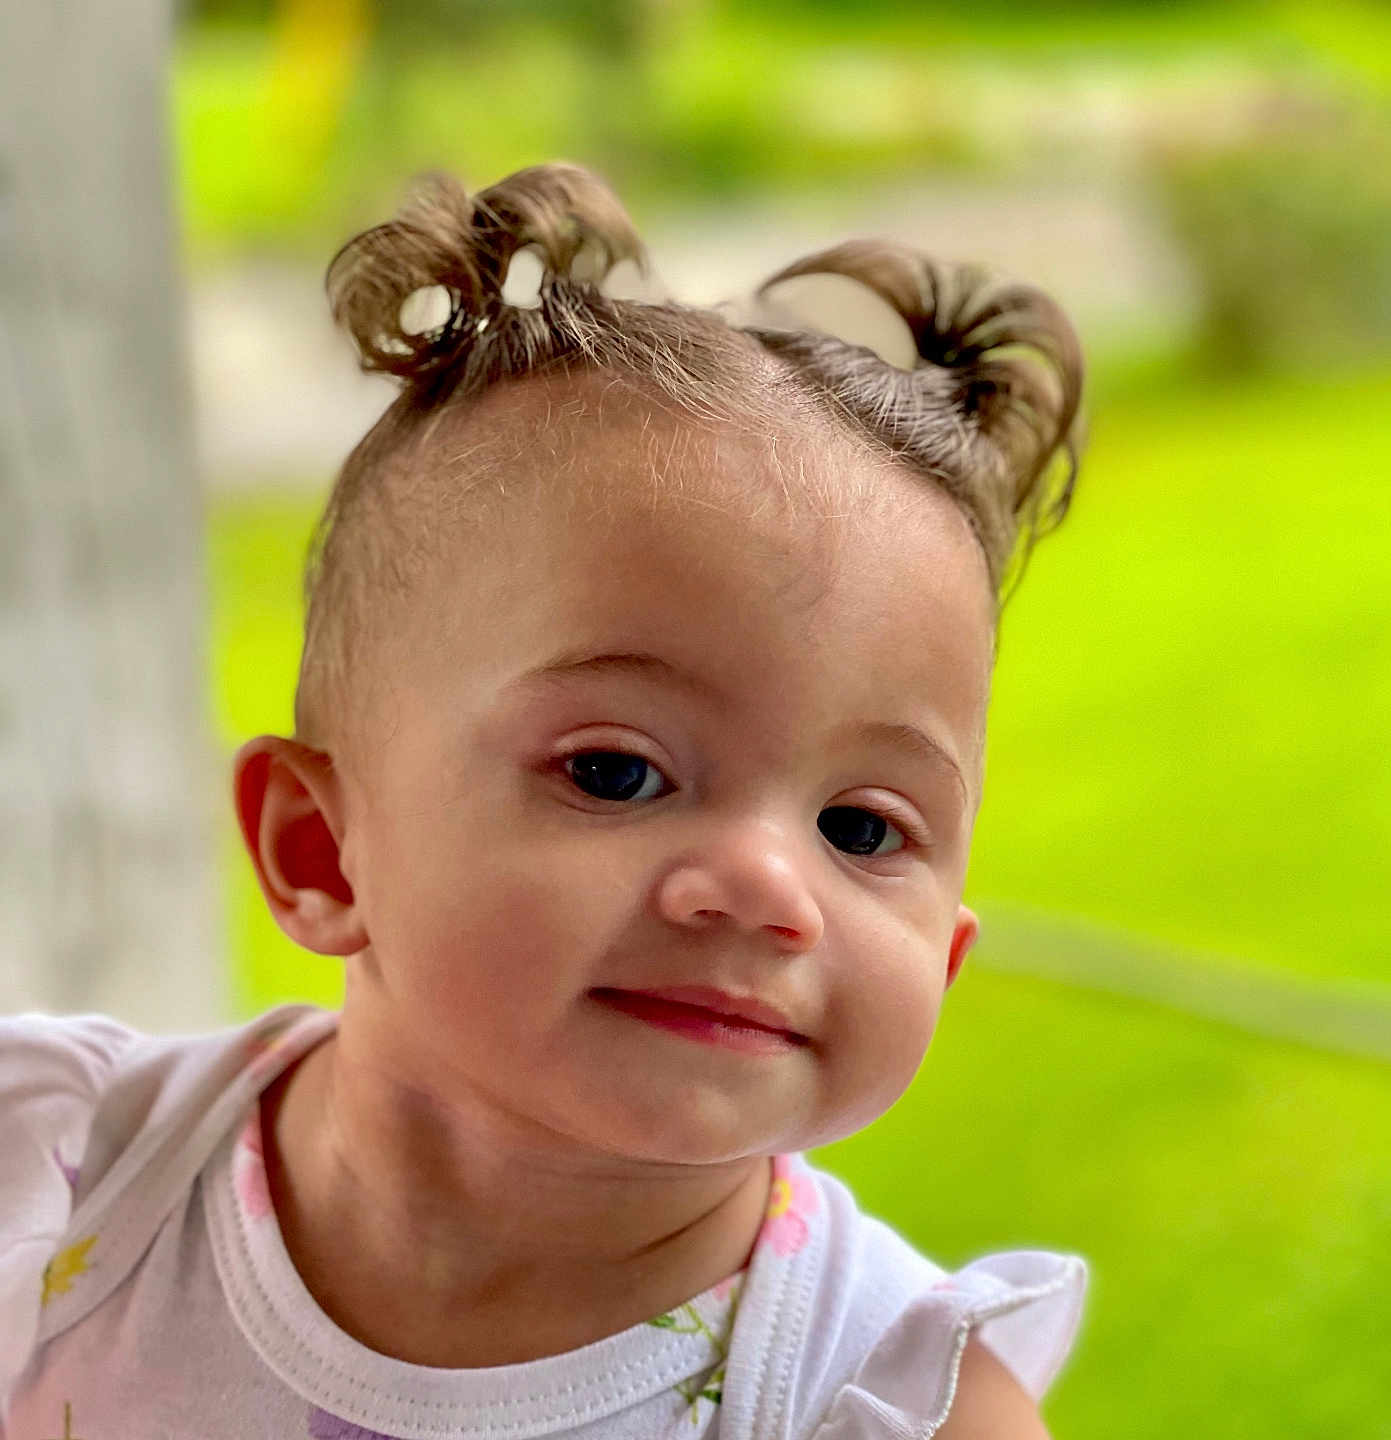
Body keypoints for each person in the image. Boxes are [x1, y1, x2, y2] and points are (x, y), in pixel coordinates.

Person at [2, 163, 1088, 1438]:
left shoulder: (889, 1403)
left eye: (861, 829)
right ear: (326, 851)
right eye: (617, 771)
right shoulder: (67, 1175)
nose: (765, 886)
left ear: (948, 954)